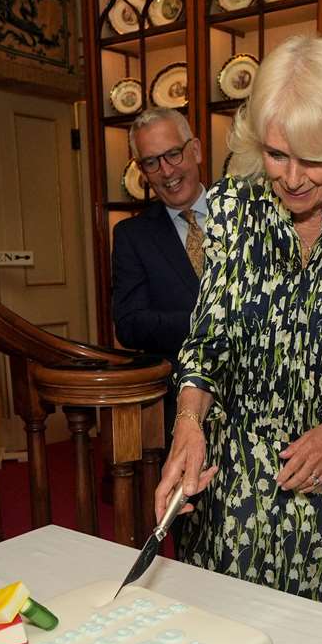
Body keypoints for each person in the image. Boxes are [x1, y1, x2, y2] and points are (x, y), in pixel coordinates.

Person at [154, 35, 322, 621]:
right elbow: (206, 344)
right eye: (278, 154)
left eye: (316, 158)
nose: (294, 178)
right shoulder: (231, 208)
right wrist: (188, 424)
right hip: (239, 484)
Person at [111, 108, 208, 431]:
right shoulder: (132, 236)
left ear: (195, 150)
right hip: (178, 408)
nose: (167, 171)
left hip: (257, 403)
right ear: (141, 171)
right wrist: (205, 321)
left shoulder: (244, 215)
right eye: (152, 162)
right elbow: (129, 324)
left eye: (173, 154)